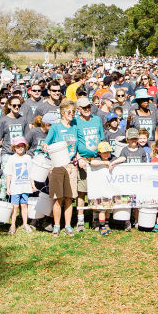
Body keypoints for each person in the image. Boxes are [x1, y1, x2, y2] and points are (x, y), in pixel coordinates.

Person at [43, 100, 79, 236]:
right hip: (57, 166)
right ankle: (57, 226)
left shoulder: (75, 127)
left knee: (69, 198)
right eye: (69, 112)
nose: (72, 114)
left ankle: (68, 226)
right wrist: (45, 146)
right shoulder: (55, 127)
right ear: (63, 113)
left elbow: (76, 148)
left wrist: (78, 159)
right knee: (58, 198)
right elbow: (46, 143)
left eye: (73, 112)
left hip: (71, 167)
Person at [74, 97, 104, 230]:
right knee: (82, 191)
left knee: (96, 191)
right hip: (83, 160)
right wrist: (78, 157)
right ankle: (80, 219)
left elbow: (101, 137)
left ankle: (95, 219)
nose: (87, 110)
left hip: (96, 158)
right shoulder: (75, 122)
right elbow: (72, 142)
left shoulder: (97, 119)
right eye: (84, 108)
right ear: (78, 109)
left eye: (88, 107)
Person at [87, 141, 118, 236]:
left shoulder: (112, 157)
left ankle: (107, 223)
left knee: (109, 209)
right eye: (104, 152)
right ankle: (101, 225)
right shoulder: (97, 158)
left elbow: (123, 158)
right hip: (99, 188)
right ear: (99, 153)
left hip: (110, 188)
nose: (107, 154)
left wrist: (113, 162)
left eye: (108, 152)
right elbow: (91, 162)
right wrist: (105, 162)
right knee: (102, 209)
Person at [5, 137, 35, 234]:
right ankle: (12, 225)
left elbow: (31, 173)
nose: (20, 148)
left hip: (25, 186)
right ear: (14, 147)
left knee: (24, 205)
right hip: (15, 187)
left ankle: (25, 224)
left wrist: (32, 184)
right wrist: (8, 187)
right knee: (15, 206)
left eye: (22, 146)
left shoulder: (28, 158)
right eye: (18, 146)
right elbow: (9, 174)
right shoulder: (11, 159)